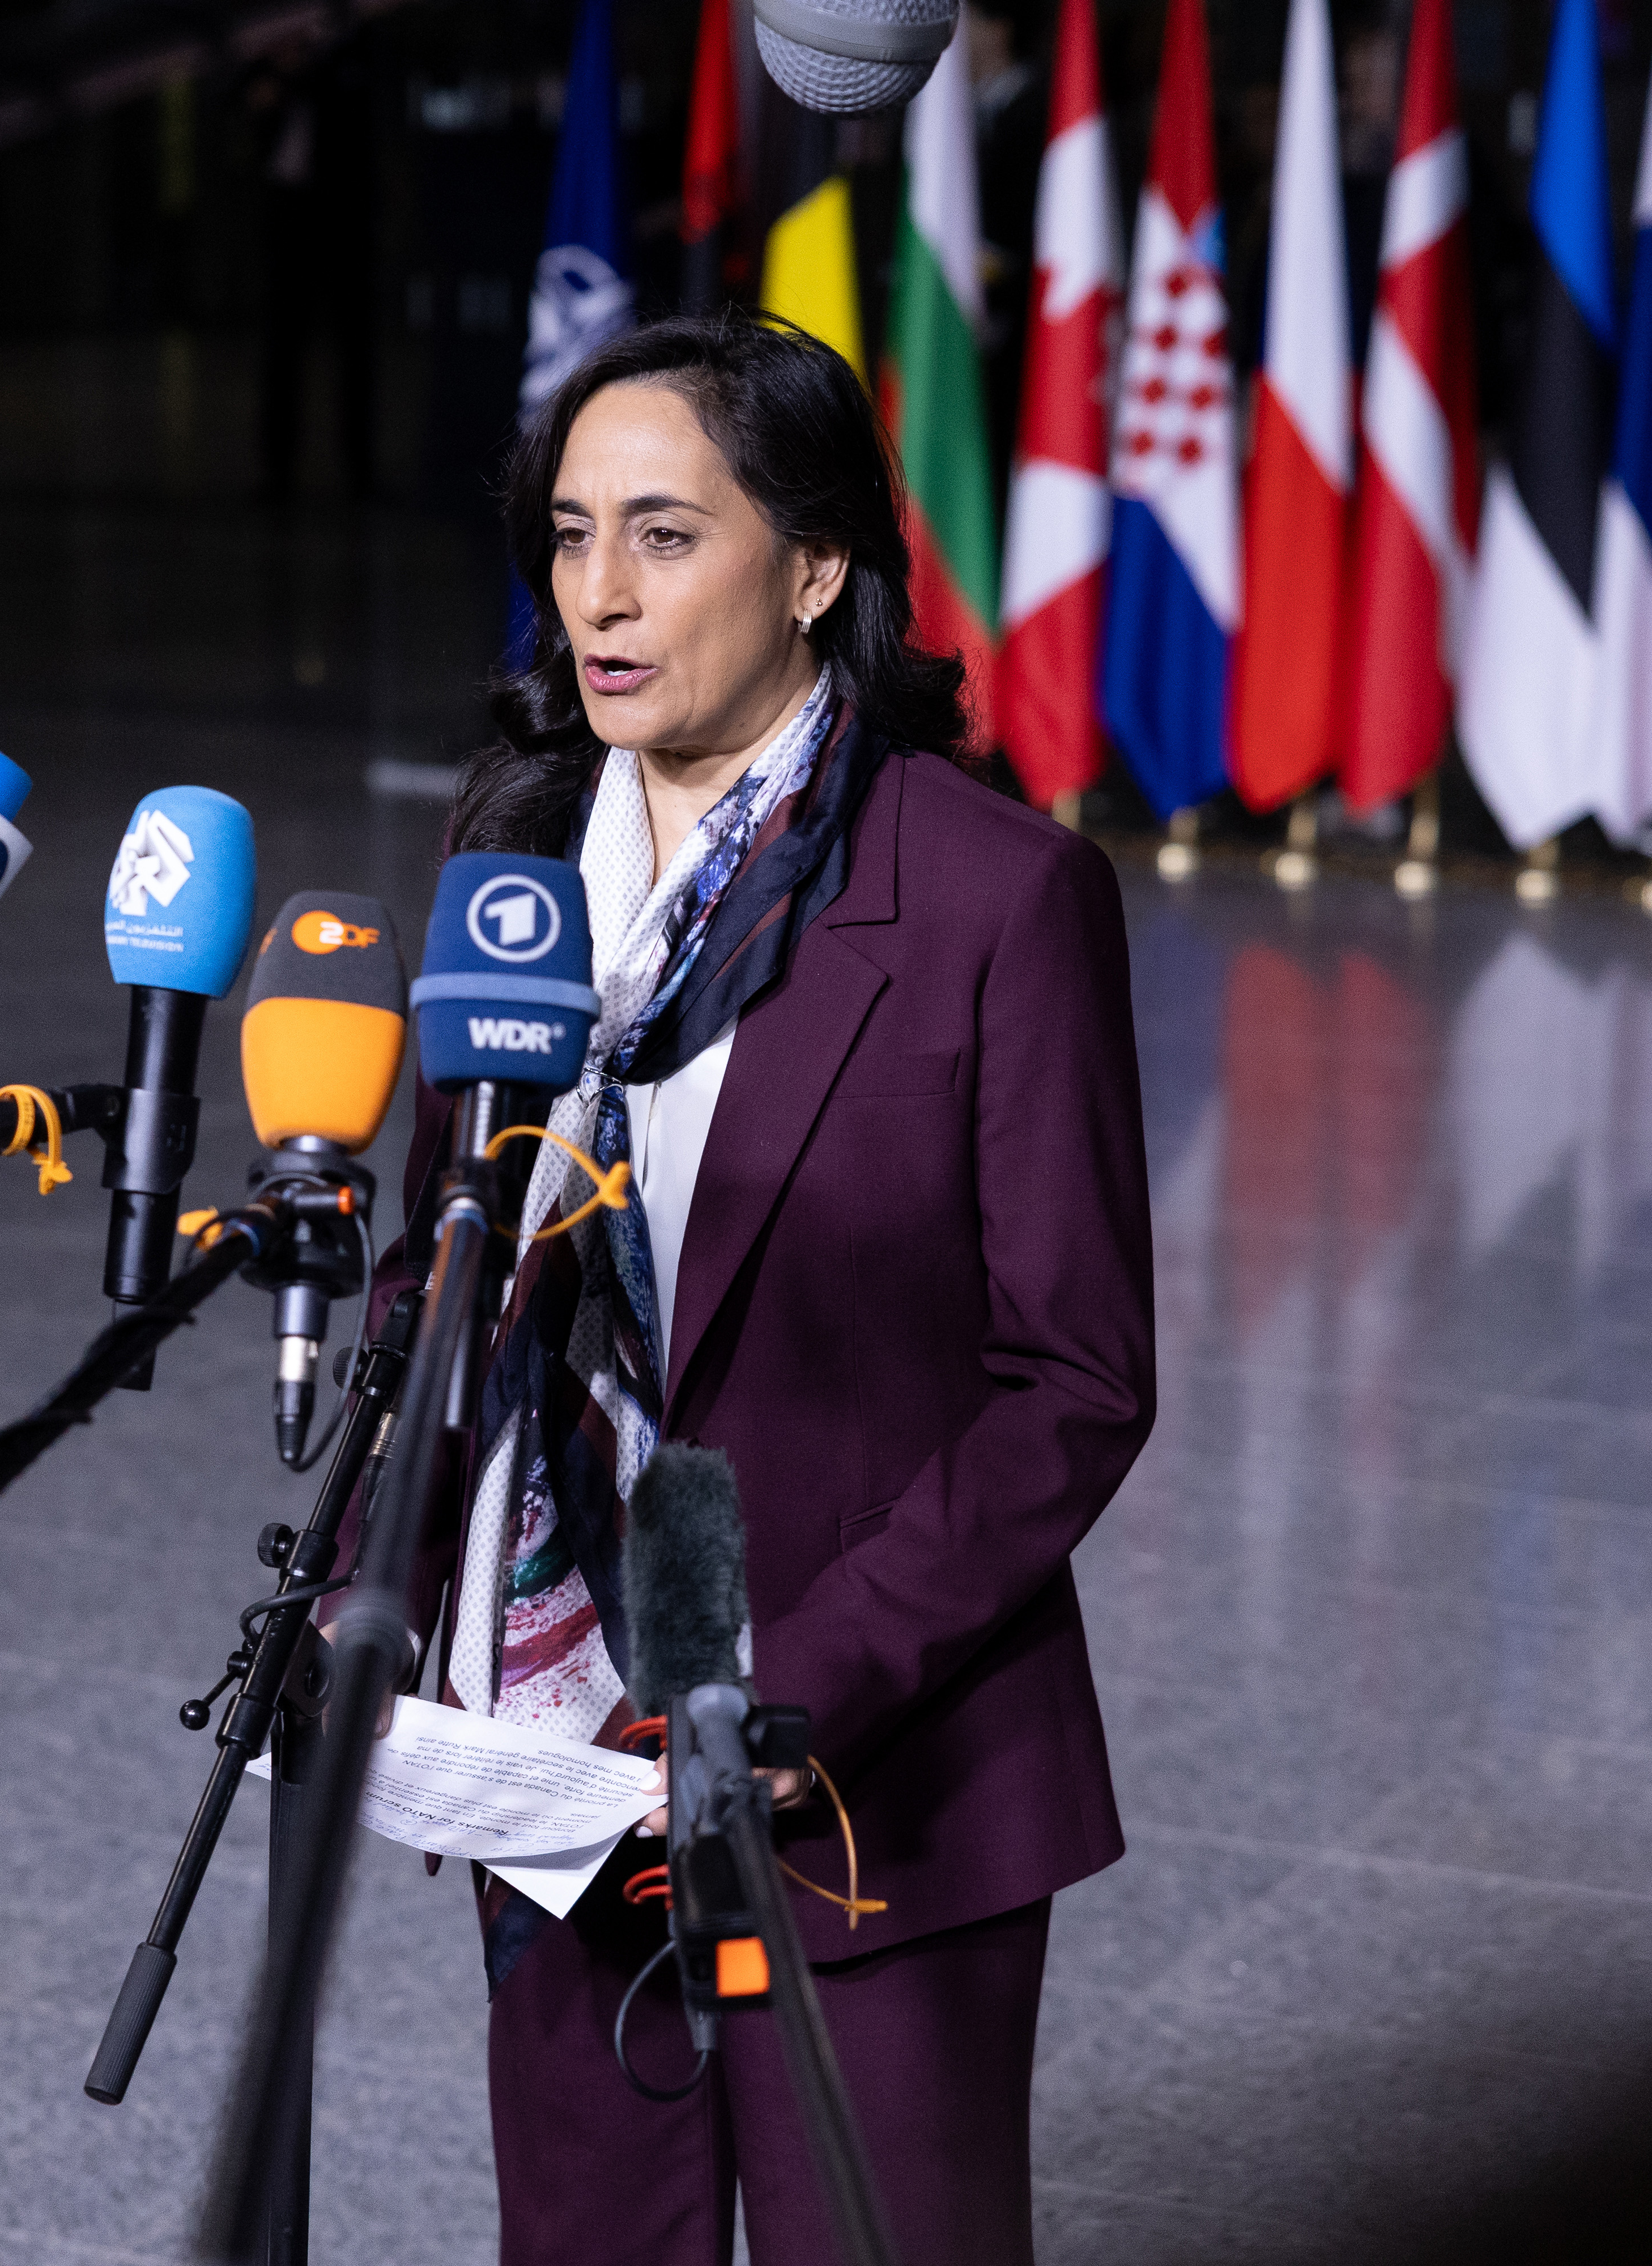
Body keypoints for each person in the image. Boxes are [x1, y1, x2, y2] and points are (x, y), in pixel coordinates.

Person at [370, 311, 1154, 2264]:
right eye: (567, 536)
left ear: (814, 570)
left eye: (663, 535)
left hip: (870, 1776)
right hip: (557, 1765)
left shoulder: (990, 898)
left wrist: (796, 1686)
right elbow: (433, 1255)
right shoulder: (514, 857)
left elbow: (1075, 1377)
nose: (597, 599)